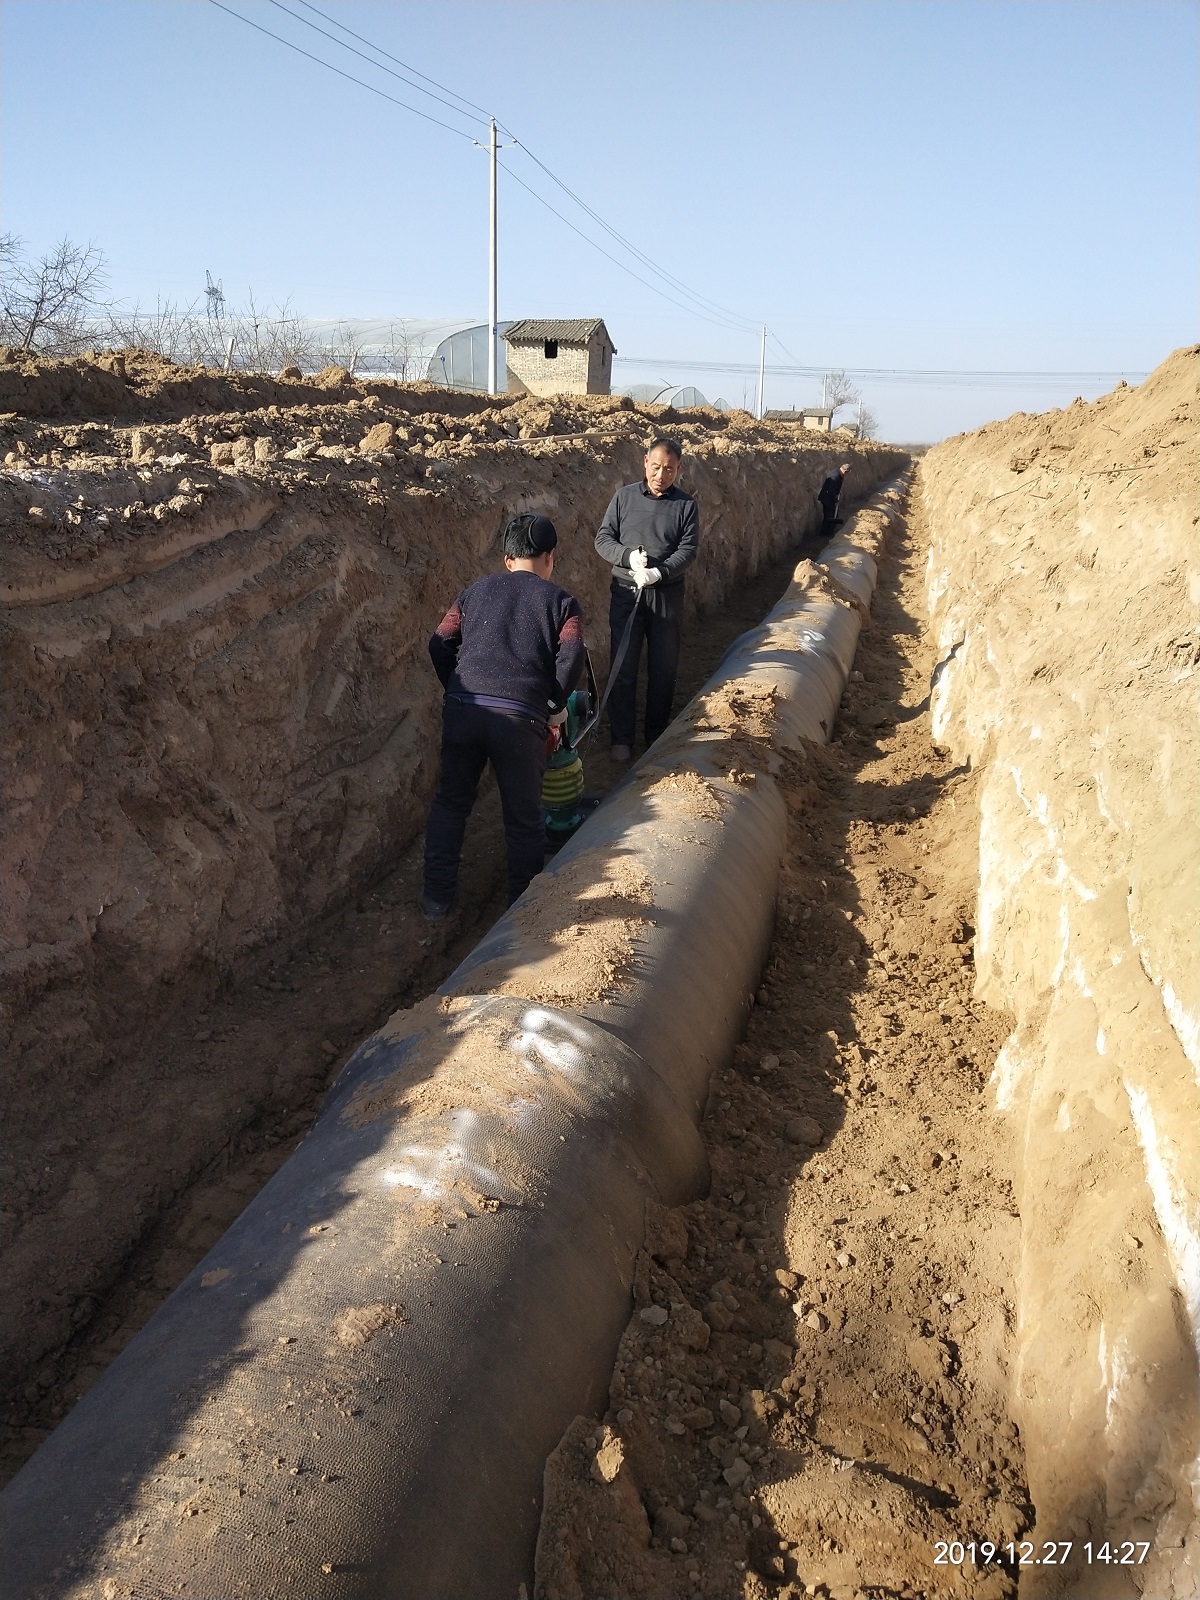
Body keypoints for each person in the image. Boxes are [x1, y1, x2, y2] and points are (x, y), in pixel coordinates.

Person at [420, 512, 585, 918]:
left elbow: (440, 643)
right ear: (550, 557)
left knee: (451, 802)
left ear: (508, 559)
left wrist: (456, 688)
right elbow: (571, 655)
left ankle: (436, 899)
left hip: (464, 709)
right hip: (519, 719)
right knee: (523, 818)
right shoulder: (562, 603)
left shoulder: (473, 592)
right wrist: (553, 705)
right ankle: (519, 912)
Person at [593, 436, 699, 761]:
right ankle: (621, 737)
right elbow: (603, 539)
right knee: (624, 664)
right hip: (627, 592)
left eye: (669, 469)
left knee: (663, 667)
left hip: (666, 595)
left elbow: (688, 550)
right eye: (655, 467)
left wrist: (660, 572)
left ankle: (656, 735)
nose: (661, 475)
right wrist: (627, 557)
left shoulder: (685, 505)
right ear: (645, 462)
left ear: (678, 469)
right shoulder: (623, 498)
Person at [817, 462, 851, 537]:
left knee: (831, 514)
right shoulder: (835, 477)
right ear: (845, 471)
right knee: (829, 516)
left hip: (828, 497)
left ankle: (828, 531)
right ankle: (825, 533)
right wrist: (835, 500)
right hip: (827, 498)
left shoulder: (838, 472)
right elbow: (831, 491)